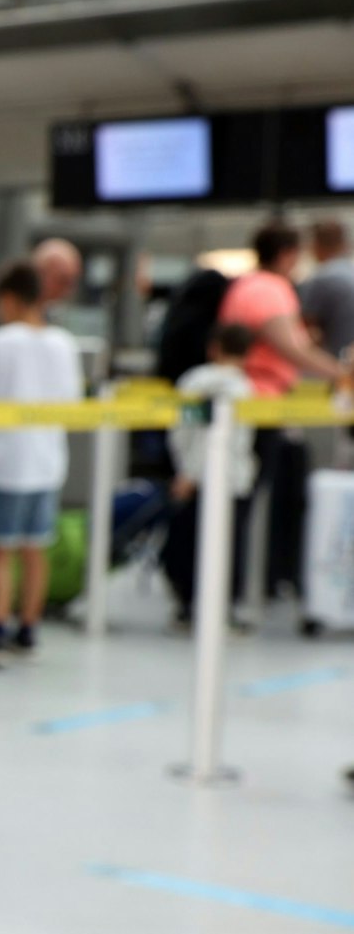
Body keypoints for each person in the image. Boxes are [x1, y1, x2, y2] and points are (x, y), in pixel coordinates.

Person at [0, 262, 83, 669]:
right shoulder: (63, 343)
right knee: (35, 549)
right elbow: (72, 402)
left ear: (9, 299)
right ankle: (28, 628)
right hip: (48, 459)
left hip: (5, 459)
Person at [163, 324, 258, 628]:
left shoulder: (195, 381)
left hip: (197, 479)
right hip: (232, 480)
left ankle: (189, 607)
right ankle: (222, 610)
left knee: (191, 546)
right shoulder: (244, 387)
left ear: (214, 347)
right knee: (228, 548)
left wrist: (187, 472)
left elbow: (185, 433)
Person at [217, 223, 346, 397]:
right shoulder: (270, 289)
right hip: (262, 395)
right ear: (286, 255)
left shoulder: (243, 285)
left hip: (241, 390)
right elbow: (291, 348)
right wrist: (342, 373)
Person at [299, 219, 354, 361]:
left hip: (338, 363)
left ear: (316, 245)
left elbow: (308, 331)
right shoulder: (350, 272)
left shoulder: (321, 278)